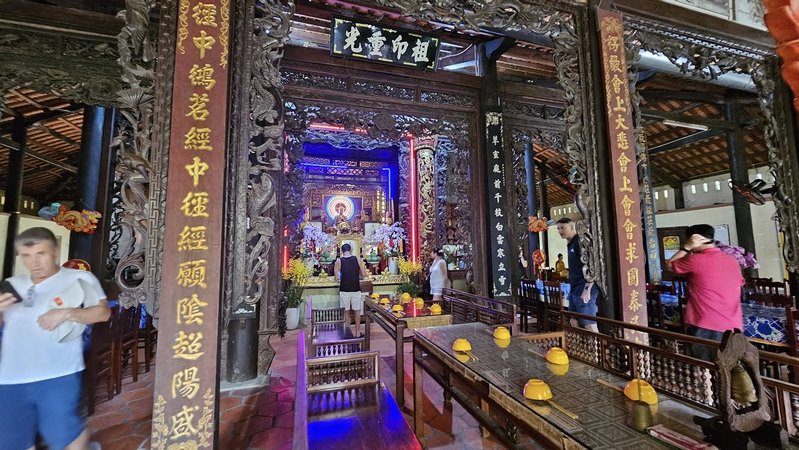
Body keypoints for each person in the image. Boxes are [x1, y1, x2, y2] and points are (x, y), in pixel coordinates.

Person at [0, 227, 111, 450]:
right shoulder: (12, 284)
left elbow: (103, 313)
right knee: (12, 442)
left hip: (59, 372)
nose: (34, 263)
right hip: (10, 377)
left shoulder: (79, 278)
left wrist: (67, 313)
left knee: (65, 435)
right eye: (26, 256)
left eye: (41, 253)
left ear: (55, 251)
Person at [666, 224, 744, 361]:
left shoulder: (695, 260)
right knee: (729, 366)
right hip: (734, 325)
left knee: (705, 367)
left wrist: (686, 247)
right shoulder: (732, 261)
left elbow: (670, 265)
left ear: (693, 239)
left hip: (706, 323)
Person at [556, 218, 598, 332]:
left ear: (572, 227)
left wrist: (587, 288)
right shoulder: (570, 244)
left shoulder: (580, 241)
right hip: (574, 288)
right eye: (558, 229)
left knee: (589, 323)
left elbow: (593, 265)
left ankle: (595, 344)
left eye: (563, 228)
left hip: (584, 287)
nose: (560, 231)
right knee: (573, 321)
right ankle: (584, 344)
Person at [335, 243, 367, 337]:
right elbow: (364, 274)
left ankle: (347, 334)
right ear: (351, 250)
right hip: (355, 289)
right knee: (357, 311)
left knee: (346, 312)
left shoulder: (339, 261)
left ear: (342, 251)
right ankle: (357, 332)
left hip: (344, 290)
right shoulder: (357, 259)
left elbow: (336, 277)